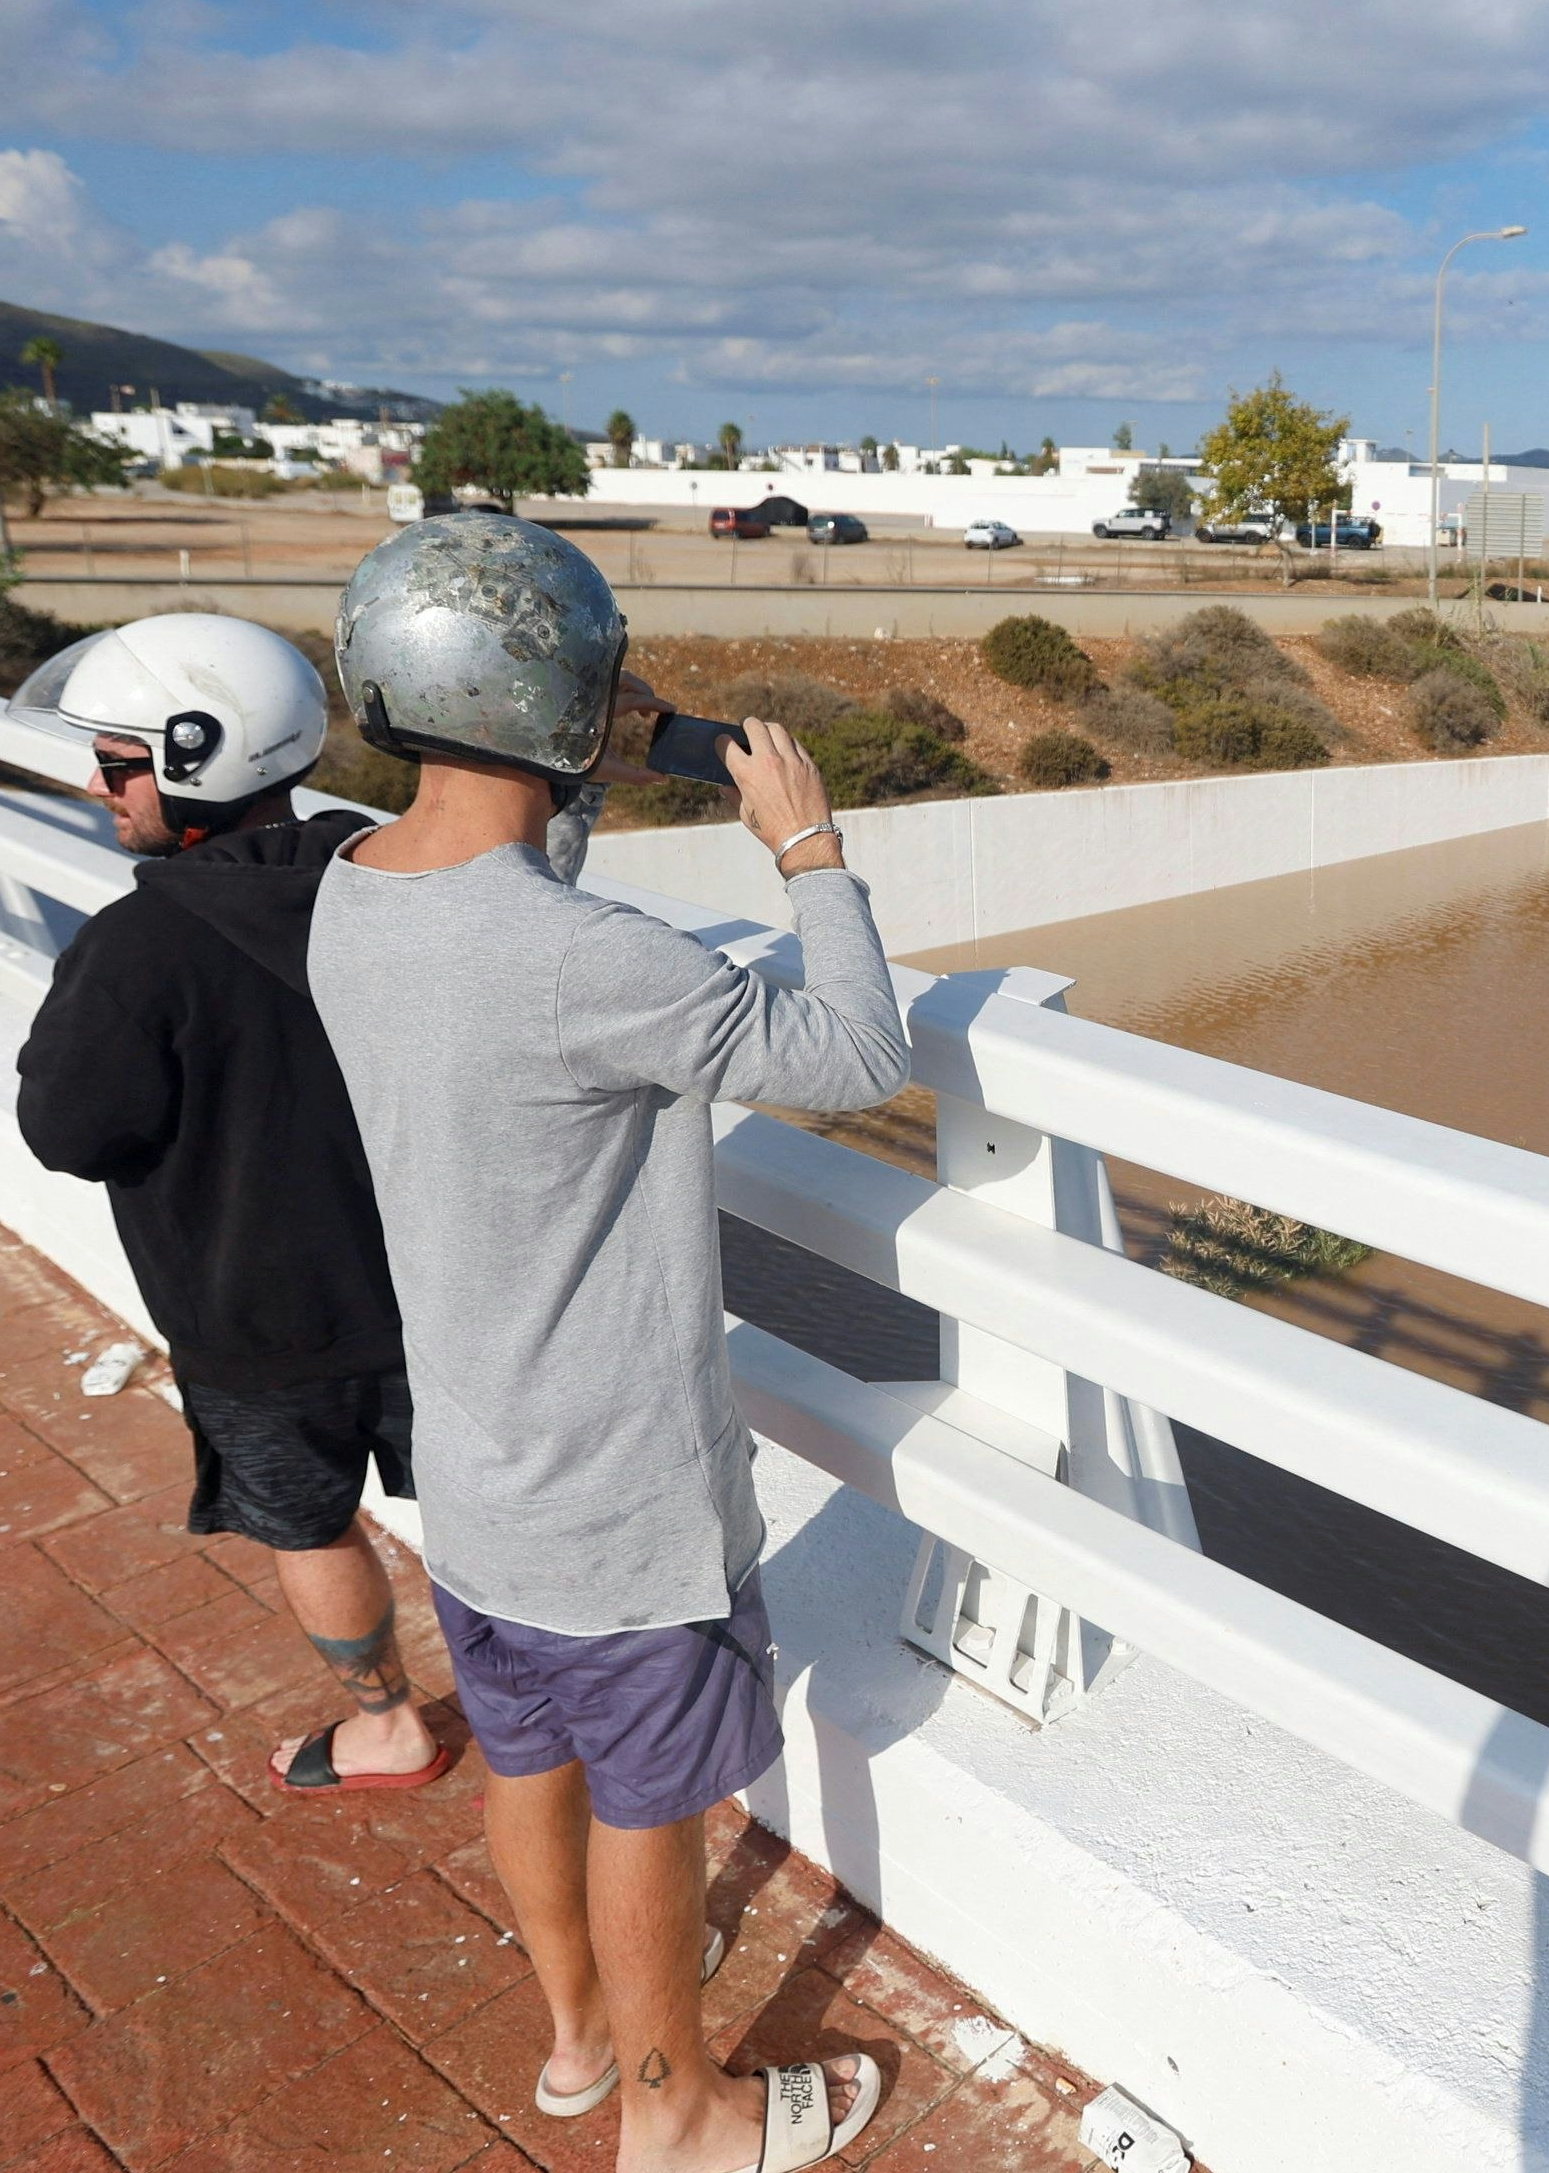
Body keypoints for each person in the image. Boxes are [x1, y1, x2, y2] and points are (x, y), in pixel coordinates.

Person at [307, 512, 906, 2173]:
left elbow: (504, 887)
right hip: (620, 1500)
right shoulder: (596, 964)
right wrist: (804, 847)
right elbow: (852, 1046)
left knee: (526, 1754)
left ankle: (578, 2041)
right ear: (558, 697)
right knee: (649, 1800)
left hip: (479, 1483)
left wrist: (596, 742)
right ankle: (676, 2114)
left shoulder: (351, 892)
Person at [10, 613, 450, 1798]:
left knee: (310, 1529)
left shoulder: (136, 948)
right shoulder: (392, 875)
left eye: (116, 762)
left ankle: (392, 1726)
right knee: (483, 1521)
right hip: (443, 1299)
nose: (98, 786)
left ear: (197, 756)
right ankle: (534, 1703)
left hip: (253, 1334)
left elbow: (67, 1131)